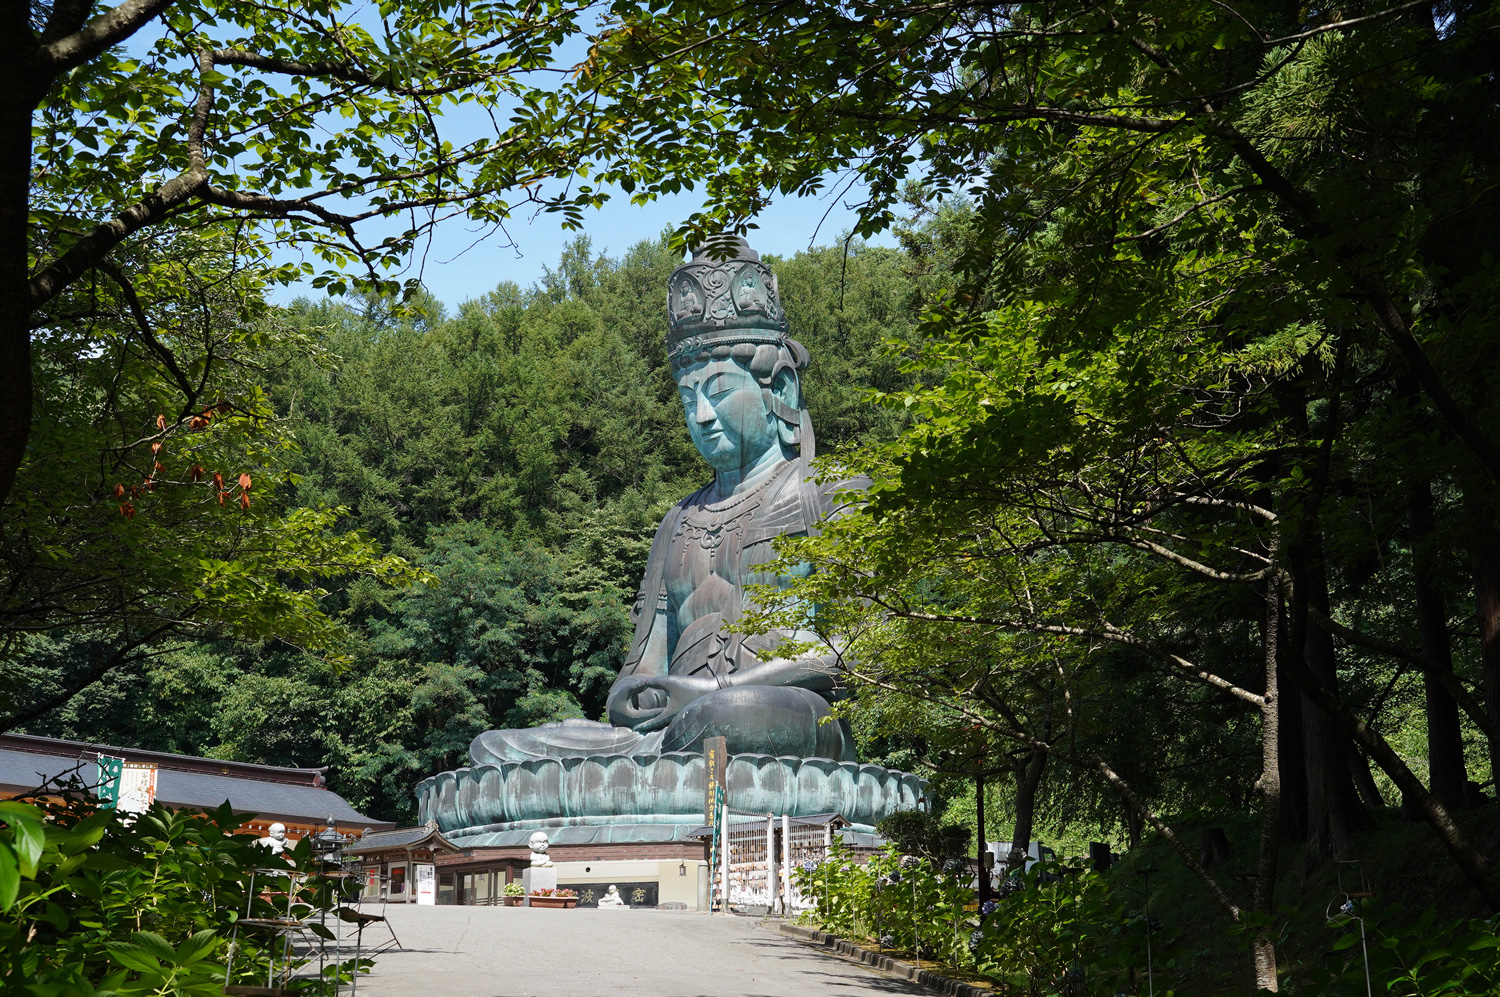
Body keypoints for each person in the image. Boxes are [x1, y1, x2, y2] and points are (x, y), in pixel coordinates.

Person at [472, 239, 860, 765]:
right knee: (498, 749)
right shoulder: (677, 522)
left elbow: (856, 650)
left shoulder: (829, 493)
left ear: (782, 390)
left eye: (719, 392)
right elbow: (640, 673)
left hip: (785, 713)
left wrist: (712, 692)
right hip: (674, 727)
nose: (701, 414)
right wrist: (630, 699)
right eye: (687, 399)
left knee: (734, 713)